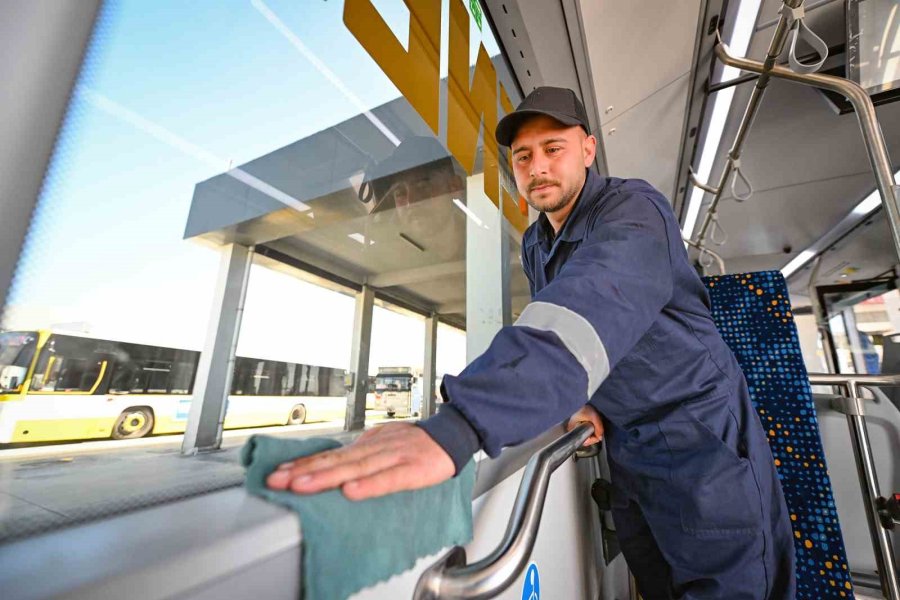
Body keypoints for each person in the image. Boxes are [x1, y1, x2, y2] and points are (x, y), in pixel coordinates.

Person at [267, 86, 796, 599]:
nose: (537, 166)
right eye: (522, 156)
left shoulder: (633, 210)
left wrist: (463, 424)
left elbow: (589, 309)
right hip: (629, 447)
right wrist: (587, 398)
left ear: (588, 149)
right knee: (654, 580)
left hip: (701, 436)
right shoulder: (537, 243)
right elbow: (584, 338)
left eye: (553, 148)